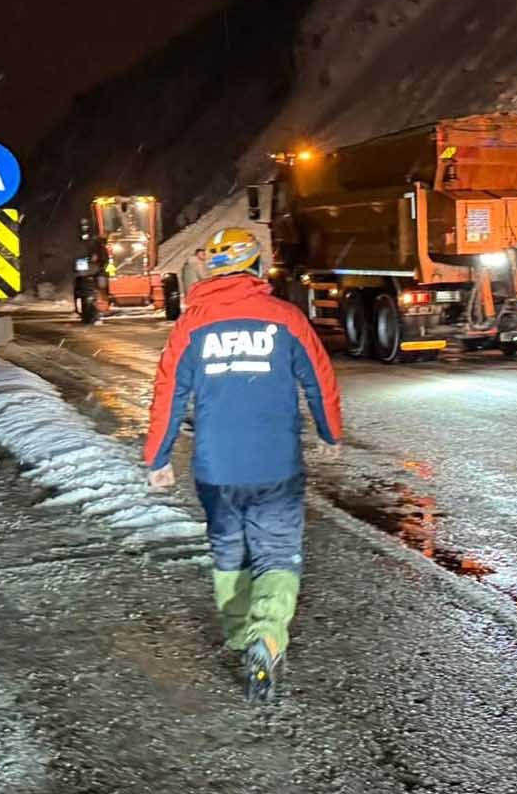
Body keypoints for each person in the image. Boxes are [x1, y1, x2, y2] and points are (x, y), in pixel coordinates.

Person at [143, 227, 343, 701]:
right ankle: (267, 636)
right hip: (276, 465)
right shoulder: (286, 319)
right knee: (276, 553)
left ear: (210, 270)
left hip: (217, 469)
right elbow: (319, 379)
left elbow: (167, 396)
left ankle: (239, 639)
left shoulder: (191, 326)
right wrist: (330, 434)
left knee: (229, 552)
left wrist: (157, 457)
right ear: (256, 268)